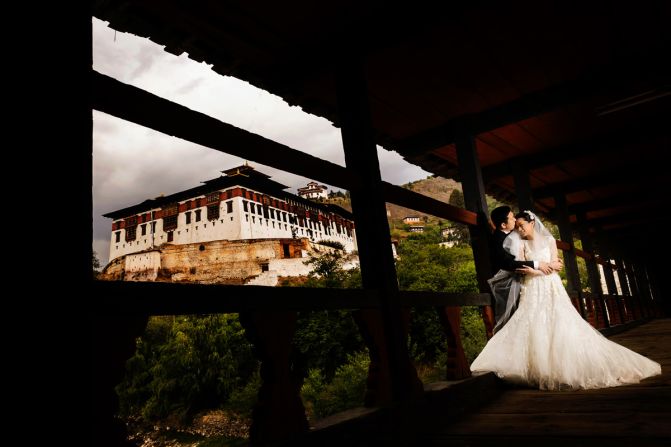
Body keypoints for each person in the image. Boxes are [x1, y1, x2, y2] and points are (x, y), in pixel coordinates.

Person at [471, 210, 661, 390]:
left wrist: (541, 269)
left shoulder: (548, 240)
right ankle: (538, 367)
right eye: (517, 226)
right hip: (531, 287)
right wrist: (541, 268)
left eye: (522, 226)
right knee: (531, 322)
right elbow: (521, 266)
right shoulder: (520, 243)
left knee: (561, 321)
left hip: (551, 286)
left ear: (532, 223)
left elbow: (556, 264)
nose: (519, 230)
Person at [488, 206, 559, 333]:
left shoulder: (515, 235)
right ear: (504, 225)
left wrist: (552, 264)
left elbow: (554, 262)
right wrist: (539, 265)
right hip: (512, 286)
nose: (515, 220)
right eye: (512, 218)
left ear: (532, 223)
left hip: (547, 283)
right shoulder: (498, 239)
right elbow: (510, 264)